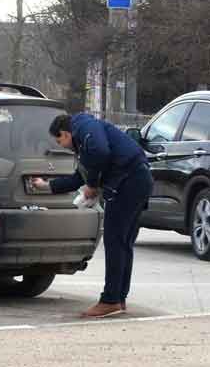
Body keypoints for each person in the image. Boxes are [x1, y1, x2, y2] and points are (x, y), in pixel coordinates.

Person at [31, 114, 153, 318]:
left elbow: (100, 152)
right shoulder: (84, 141)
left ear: (65, 133)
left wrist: (93, 185)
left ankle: (110, 300)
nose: (62, 147)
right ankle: (119, 298)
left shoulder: (84, 126)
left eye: (59, 141)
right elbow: (80, 176)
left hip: (128, 183)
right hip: (138, 180)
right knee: (123, 244)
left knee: (115, 243)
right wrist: (47, 186)